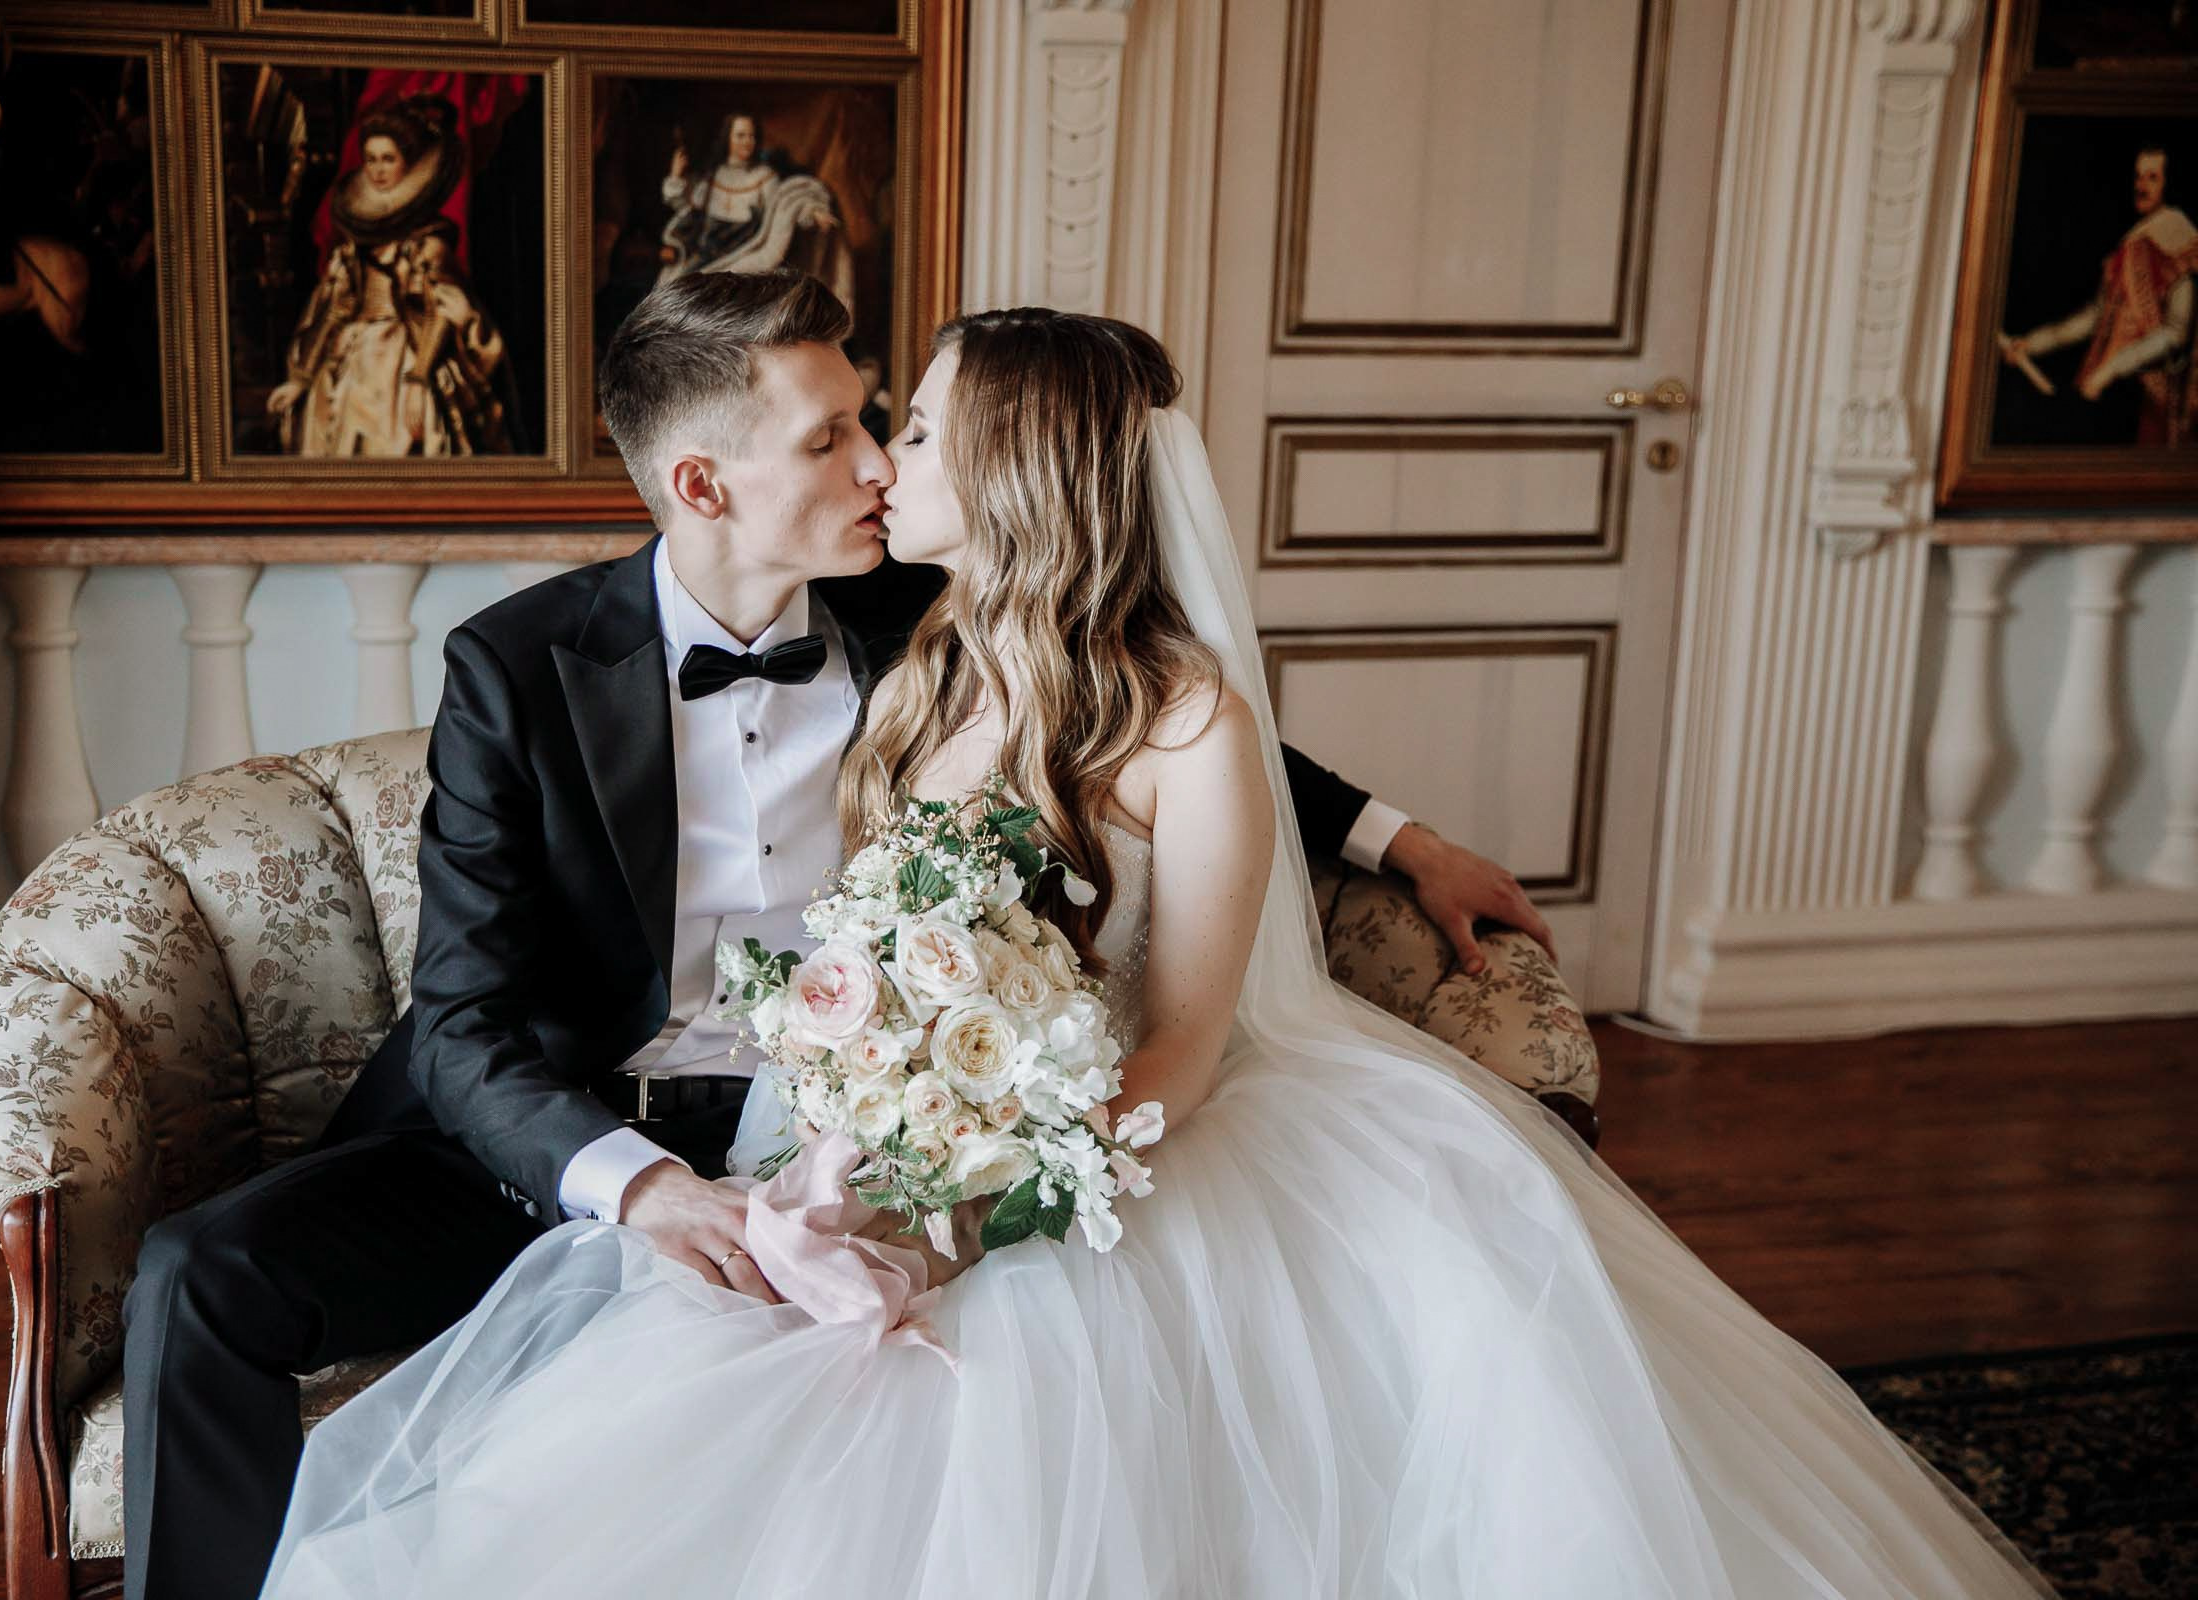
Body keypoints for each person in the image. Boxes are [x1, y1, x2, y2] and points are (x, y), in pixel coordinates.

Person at [252, 297, 2057, 1597]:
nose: (889, 465)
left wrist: (996, 1187)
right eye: (861, 435)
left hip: (1120, 1145)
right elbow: (860, 965)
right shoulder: (923, 648)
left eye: (920, 429)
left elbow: (1183, 1030)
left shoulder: (1175, 712)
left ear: (1016, 466)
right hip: (880, 1127)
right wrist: (841, 1159)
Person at [119, 271, 1503, 1600]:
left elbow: (1150, 701)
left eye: (885, 422)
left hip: (855, 1132)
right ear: (703, 486)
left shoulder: (931, 613)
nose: (879, 467)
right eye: (834, 436)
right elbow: (464, 1022)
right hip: (582, 1138)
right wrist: (645, 1193)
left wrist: (1405, 841)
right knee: (201, 1275)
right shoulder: (518, 668)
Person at [267, 94, 514, 456]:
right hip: (349, 357)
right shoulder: (353, 246)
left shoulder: (426, 244)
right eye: (370, 160)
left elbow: (441, 313)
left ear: (408, 165)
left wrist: (419, 378)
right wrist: (301, 381)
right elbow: (334, 308)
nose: (378, 170)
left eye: (388, 159)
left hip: (404, 362)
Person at [1999, 145, 2197, 446]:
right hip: (2115, 395)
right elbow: (2097, 316)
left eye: (2152, 178)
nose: (2140, 186)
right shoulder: (2132, 242)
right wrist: (2032, 343)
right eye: (2138, 177)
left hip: (2157, 398)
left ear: (2170, 183)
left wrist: (2112, 368)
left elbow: (2176, 334)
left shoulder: (2182, 240)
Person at [655, 111, 853, 307]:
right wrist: (676, 176)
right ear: (728, 139)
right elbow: (684, 208)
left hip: (744, 259)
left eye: (751, 136)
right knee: (673, 291)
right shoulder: (713, 177)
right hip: (706, 259)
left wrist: (813, 213)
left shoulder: (765, 178)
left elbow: (784, 206)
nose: (747, 141)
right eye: (740, 135)